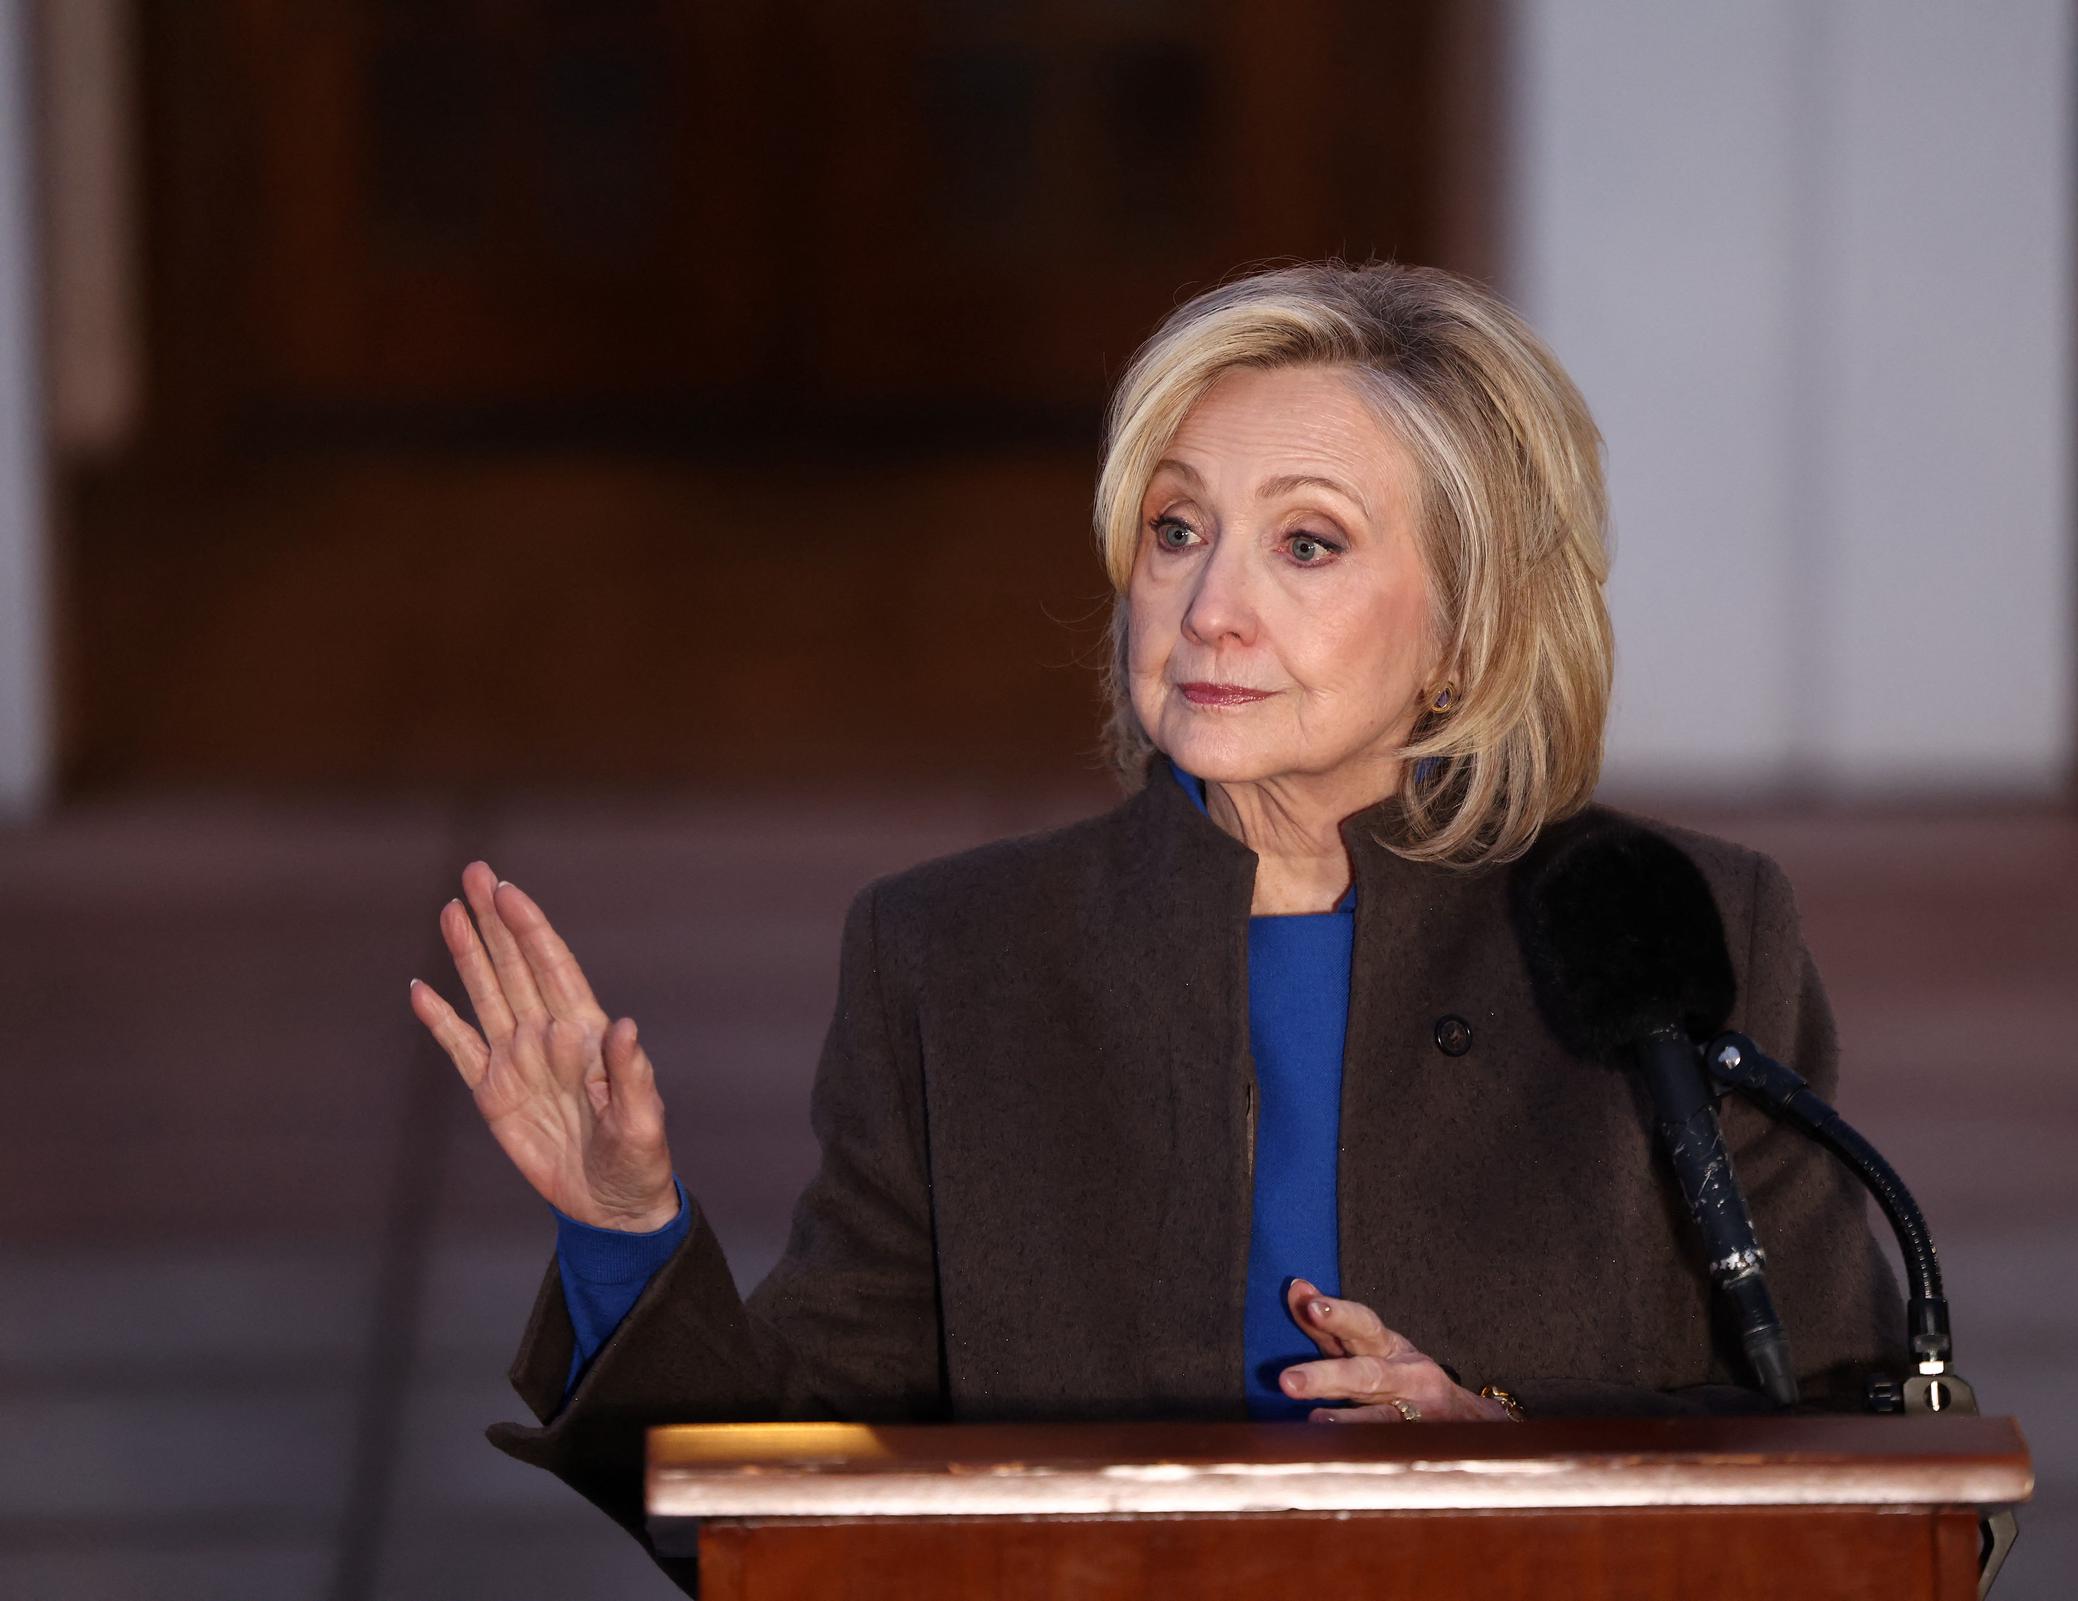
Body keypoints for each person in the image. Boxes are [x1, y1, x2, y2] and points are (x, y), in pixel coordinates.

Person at [407, 259, 1903, 1593]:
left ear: (1468, 633)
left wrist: (1506, 1452)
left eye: (1307, 545)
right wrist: (624, 1234)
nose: (1208, 607)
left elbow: (1858, 1447)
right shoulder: (959, 955)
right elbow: (781, 1511)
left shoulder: (1677, 929)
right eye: (1179, 527)